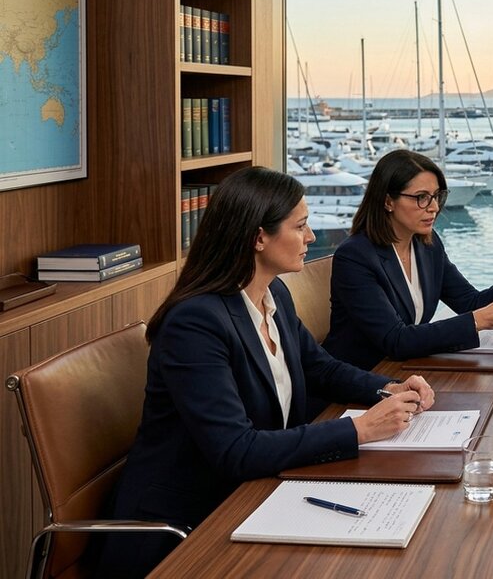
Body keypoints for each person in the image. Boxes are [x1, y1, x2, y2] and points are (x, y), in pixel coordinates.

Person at [97, 167, 435, 577]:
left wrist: (388, 388)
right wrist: (360, 430)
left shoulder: (272, 292)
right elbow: (235, 450)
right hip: (188, 527)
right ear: (259, 237)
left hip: (258, 494)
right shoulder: (195, 324)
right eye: (301, 226)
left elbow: (318, 367)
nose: (311, 237)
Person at [323, 149, 493, 370]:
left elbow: (470, 303)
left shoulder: (427, 245)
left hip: (405, 371)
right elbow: (395, 339)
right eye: (421, 198)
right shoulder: (355, 256)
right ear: (388, 201)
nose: (433, 207)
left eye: (436, 196)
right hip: (360, 382)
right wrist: (478, 320)